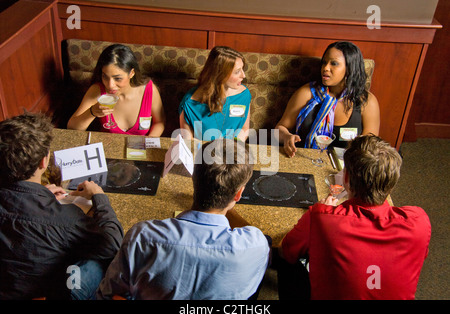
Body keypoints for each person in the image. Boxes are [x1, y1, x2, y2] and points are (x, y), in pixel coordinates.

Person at [97, 138, 270, 300]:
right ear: (239, 194)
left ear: (194, 177)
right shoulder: (256, 245)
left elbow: (108, 294)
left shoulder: (142, 237)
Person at [279, 134, 431, 300]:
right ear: (392, 182)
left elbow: (286, 251)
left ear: (346, 178)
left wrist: (326, 211)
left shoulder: (322, 216)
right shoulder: (419, 221)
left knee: (287, 262)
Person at [0, 113, 124, 300]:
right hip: (46, 293)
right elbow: (113, 243)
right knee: (100, 260)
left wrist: (36, 192)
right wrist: (99, 197)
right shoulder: (65, 219)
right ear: (44, 161)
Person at [276, 41, 380, 157]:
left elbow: (369, 148)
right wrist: (286, 137)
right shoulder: (306, 93)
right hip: (302, 160)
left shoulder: (367, 102)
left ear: (350, 68)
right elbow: (278, 130)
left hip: (345, 166)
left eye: (334, 63)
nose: (325, 68)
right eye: (324, 62)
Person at [67, 44, 165, 136]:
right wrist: (92, 112)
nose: (110, 85)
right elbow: (72, 128)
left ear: (132, 73)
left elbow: (159, 122)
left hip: (140, 150)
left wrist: (149, 141)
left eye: (117, 78)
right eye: (105, 77)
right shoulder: (97, 91)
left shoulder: (149, 90)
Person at [179, 46, 251, 142]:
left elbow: (244, 129)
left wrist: (233, 148)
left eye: (242, 69)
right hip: (201, 153)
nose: (243, 75)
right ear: (220, 74)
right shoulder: (189, 104)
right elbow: (189, 143)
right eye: (237, 72)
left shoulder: (244, 95)